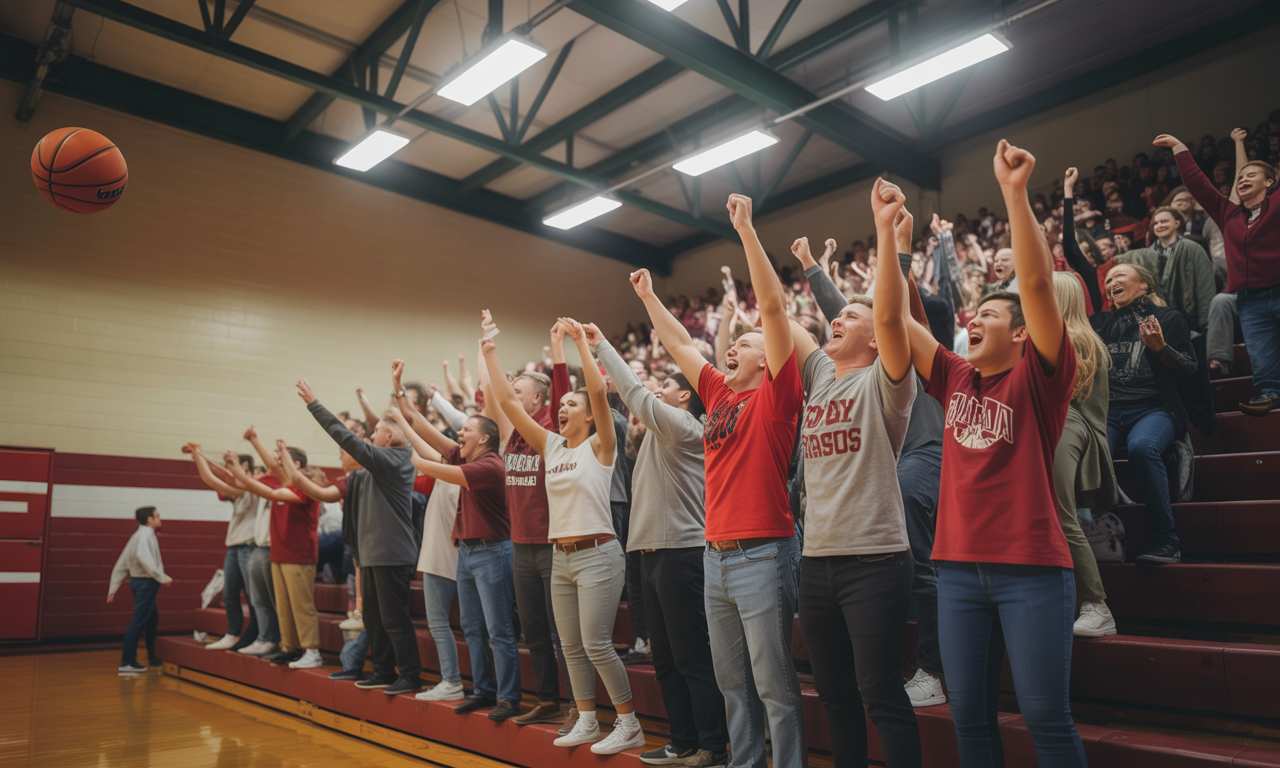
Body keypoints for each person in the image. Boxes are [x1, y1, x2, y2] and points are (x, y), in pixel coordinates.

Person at [877, 140, 1088, 766]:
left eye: (989, 314)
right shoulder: (954, 377)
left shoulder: (1041, 377)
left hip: (1031, 569)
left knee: (1046, 719)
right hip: (957, 570)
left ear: (1021, 333)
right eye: (972, 312)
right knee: (969, 720)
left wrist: (1016, 194)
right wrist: (887, 235)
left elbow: (1032, 284)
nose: (972, 318)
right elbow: (890, 320)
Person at [633, 193, 807, 768]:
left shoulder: (780, 396)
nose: (734, 346)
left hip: (763, 552)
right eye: (734, 342)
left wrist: (748, 233)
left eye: (746, 343)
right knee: (733, 683)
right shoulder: (718, 393)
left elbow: (776, 311)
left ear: (768, 358)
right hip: (715, 555)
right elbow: (681, 344)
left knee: (773, 687)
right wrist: (650, 298)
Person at [781, 208, 924, 766]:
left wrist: (889, 235)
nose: (838, 320)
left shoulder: (888, 381)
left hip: (875, 560)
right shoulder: (819, 375)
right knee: (835, 697)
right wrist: (753, 238)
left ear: (876, 334)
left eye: (853, 316)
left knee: (880, 695)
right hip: (816, 562)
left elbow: (890, 315)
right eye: (838, 317)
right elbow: (778, 314)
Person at [793, 227, 948, 711]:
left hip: (923, 448)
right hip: (881, 453)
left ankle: (935, 668)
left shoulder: (906, 337)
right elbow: (847, 313)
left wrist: (897, 245)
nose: (841, 320)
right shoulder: (850, 357)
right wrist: (812, 269)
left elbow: (883, 310)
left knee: (910, 532)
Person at [484, 319, 642, 755]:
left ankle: (629, 723)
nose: (564, 408)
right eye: (561, 404)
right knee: (571, 646)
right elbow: (506, 402)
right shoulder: (550, 445)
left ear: (590, 415)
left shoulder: (601, 445)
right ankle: (588, 719)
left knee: (596, 644)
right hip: (562, 557)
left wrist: (580, 346)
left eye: (572, 403)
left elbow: (596, 392)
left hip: (598, 554)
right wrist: (491, 353)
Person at [586, 321, 729, 766]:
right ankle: (683, 740)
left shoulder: (685, 424)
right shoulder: (658, 430)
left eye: (665, 383)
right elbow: (624, 401)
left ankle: (712, 745)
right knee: (665, 659)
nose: (656, 387)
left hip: (681, 552)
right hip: (649, 552)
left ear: (685, 394)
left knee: (691, 656)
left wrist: (602, 346)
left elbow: (633, 394)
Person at [387, 364, 522, 721]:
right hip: (467, 552)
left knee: (499, 631)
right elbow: (427, 431)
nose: (459, 433)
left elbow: (437, 467)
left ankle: (508, 697)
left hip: (494, 552)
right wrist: (400, 392)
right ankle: (482, 689)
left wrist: (410, 458)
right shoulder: (468, 454)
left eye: (466, 430)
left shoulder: (491, 465)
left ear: (484, 439)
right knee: (473, 629)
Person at [474, 312, 575, 728]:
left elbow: (564, 389)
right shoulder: (512, 433)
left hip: (553, 545)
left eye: (520, 391)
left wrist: (557, 351)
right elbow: (493, 394)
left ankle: (578, 705)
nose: (511, 396)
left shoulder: (554, 427)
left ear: (539, 401)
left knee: (562, 634)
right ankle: (548, 699)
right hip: (520, 546)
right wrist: (488, 349)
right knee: (534, 633)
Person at [297, 378, 424, 696]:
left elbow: (347, 439)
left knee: (394, 619)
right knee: (374, 617)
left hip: (392, 553)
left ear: (390, 437)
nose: (369, 437)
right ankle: (382, 670)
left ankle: (409, 674)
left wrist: (315, 404)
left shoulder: (395, 461)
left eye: (375, 432)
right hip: (372, 553)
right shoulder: (371, 470)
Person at [1157, 132, 1279, 415]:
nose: (1243, 179)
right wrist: (1180, 147)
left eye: (1251, 175)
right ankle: (1270, 392)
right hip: (1250, 300)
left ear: (1270, 182)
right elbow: (1199, 185)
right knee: (1261, 355)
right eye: (1240, 177)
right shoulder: (1228, 213)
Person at [1092, 263, 1198, 566]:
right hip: (1110, 413)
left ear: (1144, 285)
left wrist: (1162, 348)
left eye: (1120, 276)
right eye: (1109, 279)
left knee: (1142, 447)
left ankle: (1167, 541)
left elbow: (1190, 370)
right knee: (1091, 454)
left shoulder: (1168, 318)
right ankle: (1092, 534)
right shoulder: (1099, 324)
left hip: (1154, 408)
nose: (1112, 282)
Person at [1049, 273, 1117, 636]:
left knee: (1062, 517)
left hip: (1069, 423)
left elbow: (1060, 395)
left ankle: (1096, 604)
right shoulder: (1074, 336)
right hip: (1064, 424)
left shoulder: (1072, 339)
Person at [223, 436, 322, 669]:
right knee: (284, 606)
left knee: (301, 605)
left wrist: (238, 469)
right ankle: (290, 647)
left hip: (299, 556)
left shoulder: (304, 487)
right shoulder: (280, 484)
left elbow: (271, 494)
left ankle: (312, 650)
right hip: (279, 554)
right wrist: (238, 464)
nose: (274, 463)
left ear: (296, 465)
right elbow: (268, 484)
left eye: (279, 459)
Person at [183, 446, 261, 653]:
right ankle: (232, 633)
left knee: (254, 597)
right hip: (234, 547)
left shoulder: (255, 486)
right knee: (229, 593)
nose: (228, 471)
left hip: (251, 546)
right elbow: (212, 479)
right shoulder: (237, 489)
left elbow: (221, 476)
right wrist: (197, 455)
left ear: (244, 467)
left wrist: (203, 457)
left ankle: (256, 633)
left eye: (232, 466)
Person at [1117, 207, 1216, 335]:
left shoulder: (1193, 249)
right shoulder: (1144, 257)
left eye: (1164, 221)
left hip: (1192, 326)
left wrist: (1206, 327)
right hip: (1158, 328)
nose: (1160, 225)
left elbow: (1205, 289)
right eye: (1156, 223)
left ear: (1177, 223)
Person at [109, 505, 172, 673]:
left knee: (152, 619)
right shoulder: (144, 535)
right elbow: (144, 559)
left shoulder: (139, 535)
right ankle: (127, 661)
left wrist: (113, 586)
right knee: (138, 622)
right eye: (157, 516)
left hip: (138, 582)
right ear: (149, 519)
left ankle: (153, 657)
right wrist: (162, 577)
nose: (160, 519)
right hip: (146, 583)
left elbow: (123, 561)